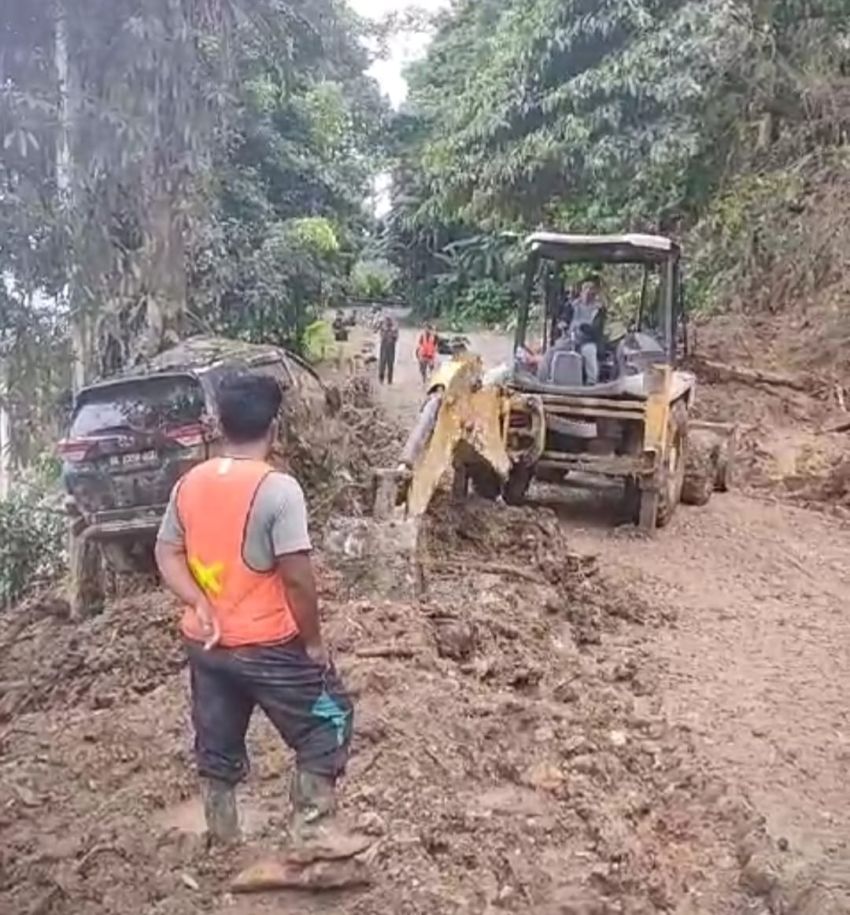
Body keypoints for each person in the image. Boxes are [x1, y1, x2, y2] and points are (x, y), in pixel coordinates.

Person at [154, 372, 353, 847]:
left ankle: (222, 838)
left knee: (216, 741)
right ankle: (312, 834)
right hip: (267, 644)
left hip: (206, 642)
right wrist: (313, 643)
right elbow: (298, 578)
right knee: (330, 721)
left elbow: (166, 552)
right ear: (274, 428)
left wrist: (199, 601)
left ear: (220, 425)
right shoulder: (278, 490)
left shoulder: (189, 484)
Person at [560, 275, 606, 385]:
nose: (588, 291)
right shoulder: (572, 305)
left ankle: (591, 382)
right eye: (586, 288)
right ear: (581, 291)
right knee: (553, 351)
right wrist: (563, 324)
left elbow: (596, 329)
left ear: (595, 292)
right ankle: (546, 377)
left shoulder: (598, 309)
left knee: (590, 353)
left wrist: (584, 328)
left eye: (591, 289)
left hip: (587, 341)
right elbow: (565, 318)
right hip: (570, 339)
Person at [378, 314, 398, 384]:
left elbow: (396, 338)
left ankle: (390, 380)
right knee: (382, 364)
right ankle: (381, 378)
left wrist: (391, 334)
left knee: (390, 364)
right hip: (384, 348)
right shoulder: (383, 328)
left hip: (391, 348)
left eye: (389, 320)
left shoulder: (394, 329)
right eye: (387, 320)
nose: (388, 322)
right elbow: (381, 336)